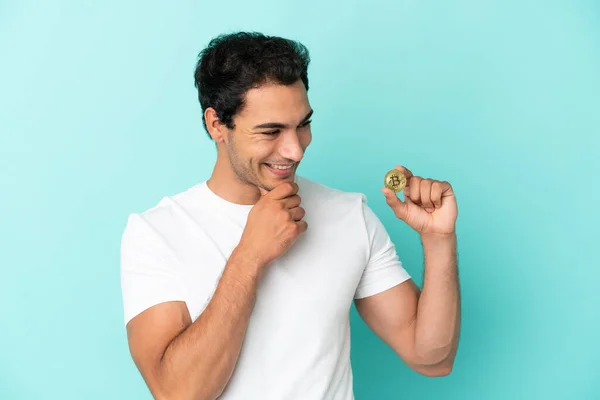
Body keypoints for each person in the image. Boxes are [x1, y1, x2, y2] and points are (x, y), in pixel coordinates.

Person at [120, 31, 461, 400]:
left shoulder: (349, 215)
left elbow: (432, 359)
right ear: (217, 124)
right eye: (271, 131)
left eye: (303, 125)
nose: (295, 150)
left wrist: (438, 240)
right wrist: (250, 255)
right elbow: (178, 393)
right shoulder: (157, 233)